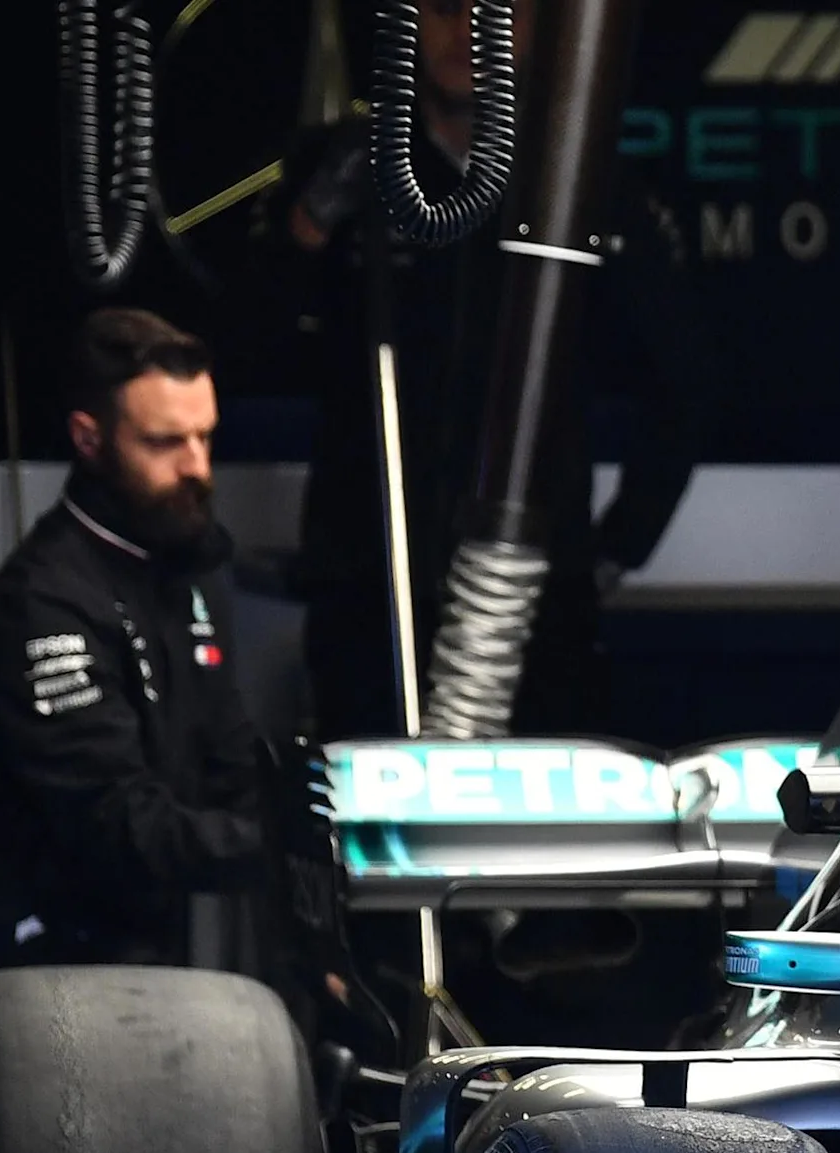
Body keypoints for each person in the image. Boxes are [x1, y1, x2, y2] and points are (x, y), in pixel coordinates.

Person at [264, 0, 710, 743]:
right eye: (444, 9)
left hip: (536, 595)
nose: (470, 30)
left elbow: (687, 382)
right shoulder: (350, 168)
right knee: (372, 833)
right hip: (369, 584)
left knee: (544, 842)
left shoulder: (582, 178)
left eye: (498, 12)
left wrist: (612, 549)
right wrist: (308, 225)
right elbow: (245, 345)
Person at [0, 310, 269, 1014]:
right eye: (164, 443)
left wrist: (331, 836)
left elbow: (234, 762)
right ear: (89, 438)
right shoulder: (44, 600)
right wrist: (278, 846)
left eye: (205, 437)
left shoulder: (185, 572)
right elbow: (114, 825)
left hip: (105, 940)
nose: (197, 468)